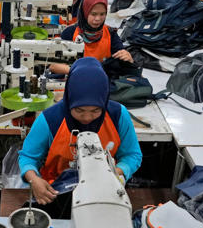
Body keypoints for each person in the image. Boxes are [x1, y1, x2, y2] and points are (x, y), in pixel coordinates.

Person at [18, 58, 142, 215]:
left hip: (103, 190)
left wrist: (117, 172)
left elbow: (132, 155)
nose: (87, 118)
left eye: (96, 111)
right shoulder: (50, 119)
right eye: (79, 110)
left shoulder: (118, 115)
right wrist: (34, 180)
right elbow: (28, 157)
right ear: (70, 99)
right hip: (55, 192)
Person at [55, 0, 132, 72]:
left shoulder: (110, 34)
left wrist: (128, 58)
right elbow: (54, 65)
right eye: (93, 14)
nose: (98, 19)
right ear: (85, 12)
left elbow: (122, 56)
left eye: (102, 14)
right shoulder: (69, 33)